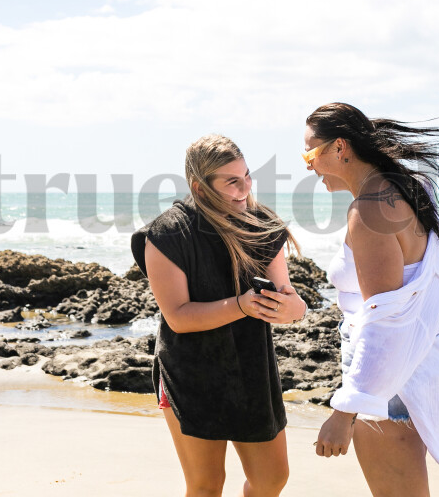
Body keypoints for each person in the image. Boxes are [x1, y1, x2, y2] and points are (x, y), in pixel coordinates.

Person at [304, 103, 439, 496]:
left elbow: (386, 322)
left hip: (387, 385)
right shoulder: (405, 188)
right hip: (414, 372)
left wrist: (345, 411)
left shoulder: (369, 211)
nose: (308, 165)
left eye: (310, 154)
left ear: (341, 148)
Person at [130, 134, 308, 497]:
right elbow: (178, 316)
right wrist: (241, 306)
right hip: (188, 371)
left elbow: (289, 299)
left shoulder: (260, 224)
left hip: (251, 367)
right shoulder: (167, 233)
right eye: (232, 181)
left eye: (247, 176)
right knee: (206, 485)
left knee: (272, 479)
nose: (244, 189)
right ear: (199, 186)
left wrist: (295, 309)